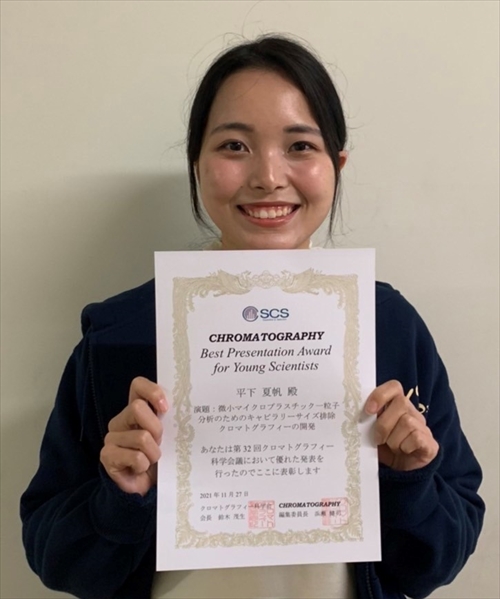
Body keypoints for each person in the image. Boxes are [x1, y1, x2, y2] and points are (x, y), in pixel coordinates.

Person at [20, 35, 484, 599]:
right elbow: (56, 557)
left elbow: (437, 561)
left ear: (336, 165)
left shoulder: (389, 326)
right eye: (234, 145)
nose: (268, 176)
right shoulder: (119, 335)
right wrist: (118, 498)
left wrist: (409, 482)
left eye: (300, 146)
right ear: (197, 164)